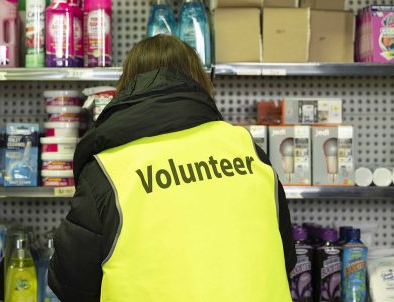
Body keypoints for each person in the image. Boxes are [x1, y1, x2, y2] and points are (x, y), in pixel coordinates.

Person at [49, 35, 296, 302]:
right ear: (200, 81)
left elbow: (70, 284)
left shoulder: (109, 171)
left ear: (127, 86)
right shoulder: (247, 150)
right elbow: (285, 257)